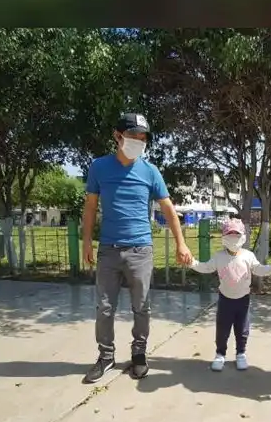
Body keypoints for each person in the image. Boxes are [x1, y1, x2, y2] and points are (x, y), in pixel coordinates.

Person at [82, 113, 193, 383]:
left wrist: (181, 242)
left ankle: (139, 353)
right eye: (133, 136)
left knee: (141, 307)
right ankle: (106, 356)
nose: (139, 142)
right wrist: (86, 241)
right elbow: (90, 206)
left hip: (140, 250)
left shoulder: (150, 171)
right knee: (104, 308)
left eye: (143, 138)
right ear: (117, 135)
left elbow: (167, 207)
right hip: (109, 249)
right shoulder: (99, 167)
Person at [186, 218, 271, 371]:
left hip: (243, 300)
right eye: (230, 235)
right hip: (225, 300)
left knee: (242, 329)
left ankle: (241, 353)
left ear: (243, 237)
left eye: (237, 235)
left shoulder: (248, 256)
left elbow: (259, 269)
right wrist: (191, 263)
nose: (233, 238)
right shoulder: (219, 256)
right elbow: (206, 267)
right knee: (222, 329)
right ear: (223, 237)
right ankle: (220, 354)